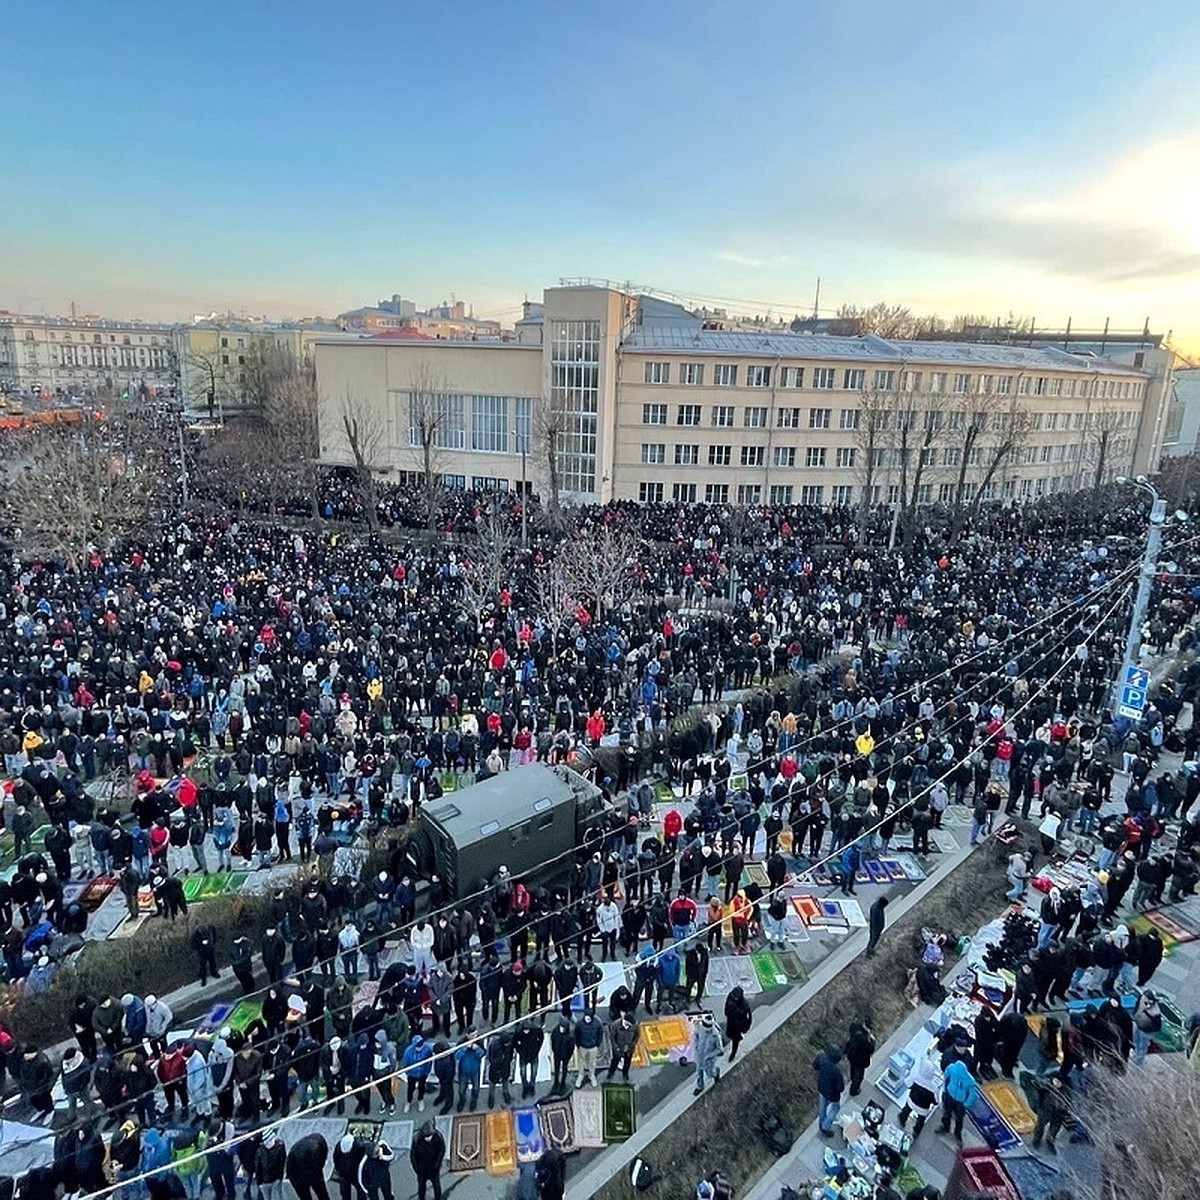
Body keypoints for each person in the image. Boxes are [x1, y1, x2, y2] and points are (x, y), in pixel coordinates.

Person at [939, 1057, 979, 1141]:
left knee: (950, 1114)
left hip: (954, 1098)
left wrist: (946, 1089)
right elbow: (972, 1095)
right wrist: (966, 1104)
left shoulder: (968, 1080)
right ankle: (954, 1131)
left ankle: (949, 1129)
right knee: (955, 1117)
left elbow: (946, 1076)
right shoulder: (969, 1080)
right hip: (956, 1099)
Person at [287, 1133, 331, 1200]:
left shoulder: (295, 1151)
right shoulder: (316, 1147)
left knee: (307, 1196)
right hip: (300, 1173)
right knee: (322, 1193)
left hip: (297, 1173)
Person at [812, 1045, 845, 1137]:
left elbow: (815, 1066)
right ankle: (825, 1127)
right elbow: (841, 1088)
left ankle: (821, 1124)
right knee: (835, 1108)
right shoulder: (836, 1072)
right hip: (833, 1094)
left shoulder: (822, 1058)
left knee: (822, 1108)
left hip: (822, 1088)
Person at [410, 1120, 446, 1200]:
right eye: (426, 1137)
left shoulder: (438, 1137)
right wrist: (417, 1169)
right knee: (421, 1187)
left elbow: (442, 1150)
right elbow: (413, 1156)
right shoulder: (417, 1140)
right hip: (422, 1169)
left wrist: (438, 1164)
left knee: (436, 1186)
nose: (428, 1138)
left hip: (434, 1168)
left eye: (430, 1136)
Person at [693, 1011, 724, 1095]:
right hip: (700, 1054)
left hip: (709, 1059)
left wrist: (710, 1056)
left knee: (709, 1073)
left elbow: (720, 1049)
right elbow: (695, 1035)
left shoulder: (716, 1035)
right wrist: (696, 1044)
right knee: (699, 1072)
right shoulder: (700, 1027)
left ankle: (716, 1073)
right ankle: (700, 1086)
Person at [844, 1021, 875, 1097]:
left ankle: (852, 1079)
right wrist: (872, 1040)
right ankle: (854, 1090)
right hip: (860, 1061)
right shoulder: (864, 1038)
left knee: (853, 1070)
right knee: (859, 1076)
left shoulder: (855, 1031)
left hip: (852, 1057)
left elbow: (849, 1043)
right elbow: (870, 1049)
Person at [724, 986, 753, 1062]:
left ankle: (733, 1053)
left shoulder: (745, 1005)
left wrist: (745, 1028)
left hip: (738, 1026)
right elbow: (726, 1007)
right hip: (731, 1022)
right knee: (730, 1035)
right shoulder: (730, 997)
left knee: (735, 1041)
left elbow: (749, 1017)